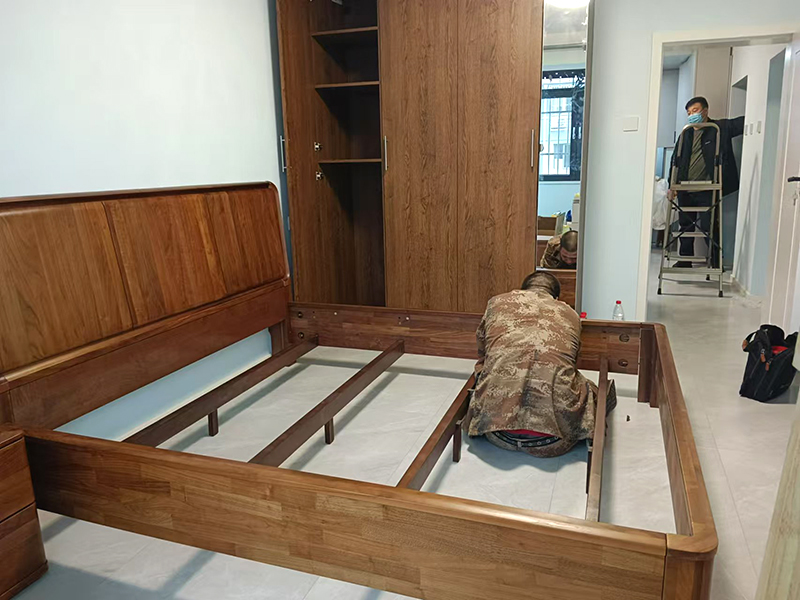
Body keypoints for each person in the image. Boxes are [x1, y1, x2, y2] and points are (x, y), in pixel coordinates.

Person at [468, 271, 616, 458]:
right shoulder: (570, 314)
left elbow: (482, 353)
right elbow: (572, 361)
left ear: (522, 290)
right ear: (556, 297)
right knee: (587, 387)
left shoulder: (496, 303)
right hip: (555, 440)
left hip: (495, 432)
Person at [668, 96, 744, 267]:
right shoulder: (686, 133)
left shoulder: (719, 128)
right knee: (685, 226)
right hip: (685, 188)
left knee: (709, 227)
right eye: (689, 113)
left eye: (695, 111)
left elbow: (743, 122)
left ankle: (715, 262)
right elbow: (675, 160)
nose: (691, 115)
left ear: (705, 111)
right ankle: (685, 261)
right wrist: (672, 185)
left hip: (707, 189)